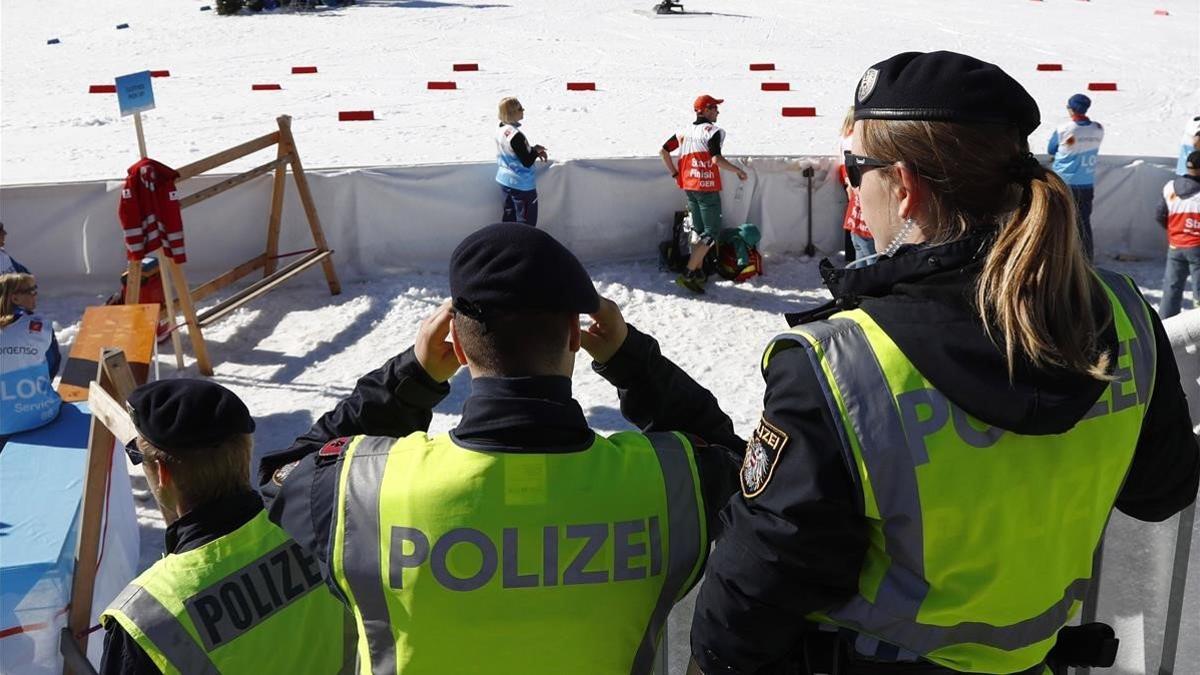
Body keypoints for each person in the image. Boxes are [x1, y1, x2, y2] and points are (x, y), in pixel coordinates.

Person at [683, 51, 1199, 674]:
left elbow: (753, 598)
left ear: (903, 187)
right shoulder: (1123, 315)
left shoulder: (842, 363)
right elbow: (1161, 491)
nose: (853, 185)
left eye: (855, 169)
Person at [258, 222, 743, 673]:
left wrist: (413, 379)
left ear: (459, 348)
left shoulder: (365, 488)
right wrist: (634, 362)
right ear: (575, 336)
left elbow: (280, 476)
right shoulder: (671, 479)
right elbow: (747, 470)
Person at [99, 380, 352, 675]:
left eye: (138, 457)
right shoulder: (316, 527)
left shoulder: (146, 617)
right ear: (246, 451)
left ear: (162, 473)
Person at [660, 94, 748, 293]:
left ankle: (698, 274)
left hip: (689, 186)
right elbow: (717, 160)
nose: (718, 111)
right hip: (706, 188)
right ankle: (689, 273)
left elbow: (663, 151)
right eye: (715, 108)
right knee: (711, 233)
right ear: (706, 110)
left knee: (699, 232)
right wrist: (738, 171)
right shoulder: (714, 131)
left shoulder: (683, 131)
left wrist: (675, 173)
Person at [0, 273, 61, 436]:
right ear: (15, 299)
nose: (36, 294)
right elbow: (53, 364)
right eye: (31, 291)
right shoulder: (40, 326)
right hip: (42, 415)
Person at [1048, 93, 1104, 259]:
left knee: (1060, 222)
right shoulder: (1098, 129)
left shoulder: (1064, 129)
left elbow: (1051, 149)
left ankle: (1059, 258)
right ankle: (1086, 259)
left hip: (1064, 182)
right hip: (1086, 183)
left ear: (1071, 109)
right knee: (1083, 223)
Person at [1155, 150, 1200, 317]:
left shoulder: (1170, 187)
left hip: (1176, 244)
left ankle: (1165, 331)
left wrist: (1175, 231)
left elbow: (1159, 215)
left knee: (1171, 291)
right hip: (1197, 247)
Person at [495, 96, 547, 226]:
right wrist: (536, 151)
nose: (523, 110)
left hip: (504, 180)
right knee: (526, 224)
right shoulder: (516, 135)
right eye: (520, 108)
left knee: (509, 220)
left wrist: (533, 149)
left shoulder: (501, 128)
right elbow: (527, 161)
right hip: (521, 184)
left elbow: (515, 151)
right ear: (512, 112)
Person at [837, 108, 875, 264]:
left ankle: (852, 261)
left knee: (855, 234)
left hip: (848, 178)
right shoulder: (855, 138)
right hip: (855, 180)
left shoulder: (844, 137)